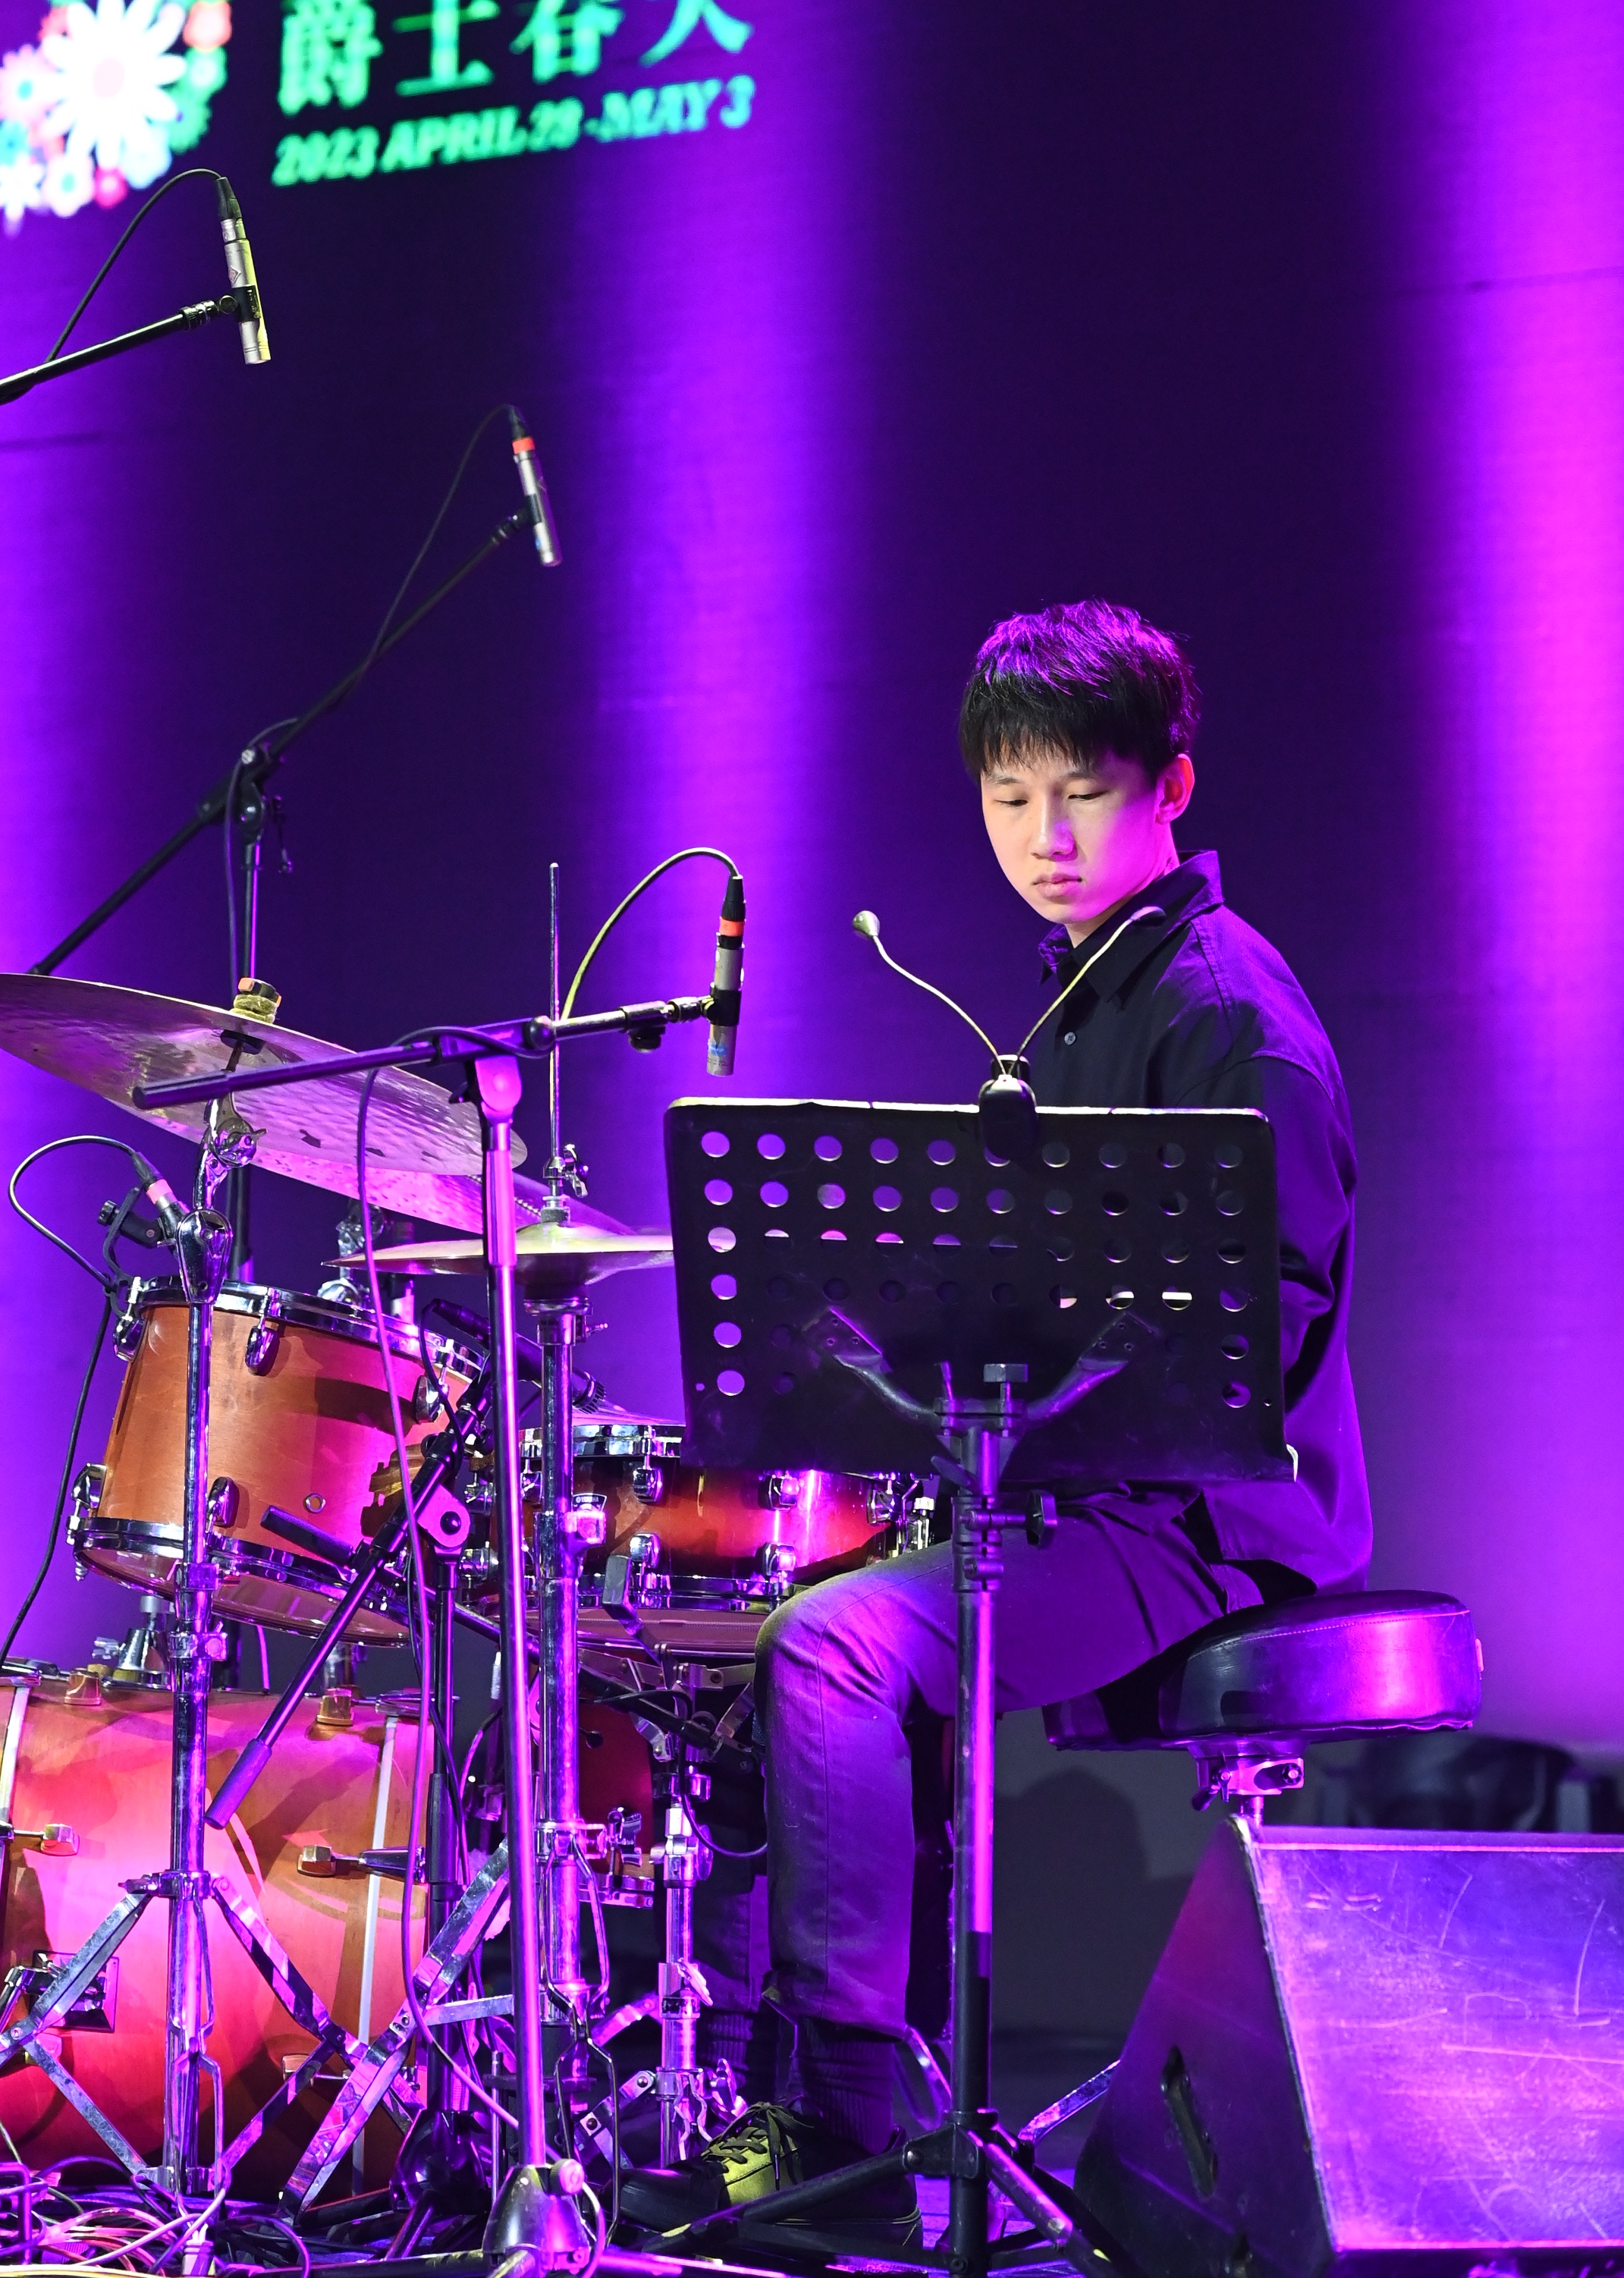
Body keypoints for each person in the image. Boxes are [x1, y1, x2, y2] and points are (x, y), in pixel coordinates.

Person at [622, 598, 1371, 2223]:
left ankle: (849, 2147)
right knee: (773, 1640)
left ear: (1171, 788)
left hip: (1204, 1522)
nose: (1045, 836)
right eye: (1010, 797)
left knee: (835, 1646)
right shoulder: (1085, 997)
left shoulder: (1224, 1017)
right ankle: (814, 2107)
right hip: (1084, 1501)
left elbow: (1240, 1352)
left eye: (1082, 795)